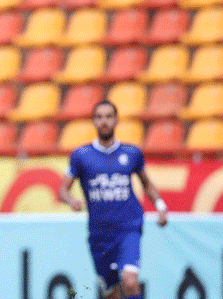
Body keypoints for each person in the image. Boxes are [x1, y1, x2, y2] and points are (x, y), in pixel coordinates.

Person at [58, 100, 168, 299]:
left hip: (128, 228)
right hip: (100, 235)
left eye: (109, 117)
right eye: (99, 117)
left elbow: (146, 183)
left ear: (116, 120)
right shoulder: (81, 156)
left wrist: (160, 206)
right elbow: (62, 190)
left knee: (130, 281)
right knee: (112, 293)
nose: (104, 121)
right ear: (93, 121)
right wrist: (71, 200)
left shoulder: (131, 153)